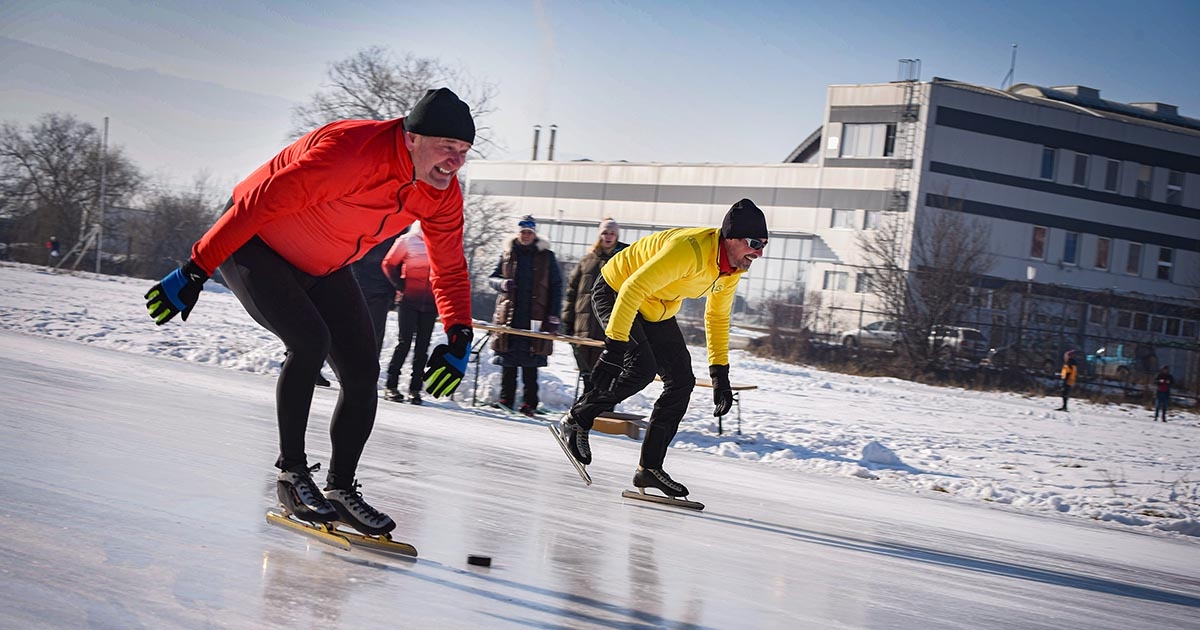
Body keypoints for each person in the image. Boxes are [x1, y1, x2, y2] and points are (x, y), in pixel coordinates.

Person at [143, 87, 477, 536]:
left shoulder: (442, 194)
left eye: (464, 152)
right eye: (447, 148)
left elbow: (449, 265)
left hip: (324, 263)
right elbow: (258, 204)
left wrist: (458, 334)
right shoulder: (350, 155)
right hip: (254, 243)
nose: (455, 162)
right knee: (309, 342)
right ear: (411, 137)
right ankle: (292, 475)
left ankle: (340, 488)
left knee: (362, 369)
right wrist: (197, 268)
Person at [557, 199, 768, 498]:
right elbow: (632, 287)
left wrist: (720, 374)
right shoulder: (690, 250)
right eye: (755, 243)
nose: (758, 253)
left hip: (656, 306)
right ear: (731, 238)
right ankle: (578, 418)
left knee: (682, 381)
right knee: (641, 368)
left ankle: (649, 468)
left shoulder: (731, 270)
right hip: (617, 289)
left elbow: (717, 316)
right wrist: (615, 348)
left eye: (764, 245)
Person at [488, 215, 563, 416]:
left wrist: (553, 315)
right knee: (509, 357)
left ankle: (530, 402)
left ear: (534, 234)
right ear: (518, 233)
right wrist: (502, 284)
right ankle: (506, 398)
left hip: (536, 314)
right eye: (523, 231)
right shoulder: (507, 253)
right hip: (509, 314)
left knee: (532, 358)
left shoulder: (546, 256)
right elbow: (492, 278)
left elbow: (556, 286)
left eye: (529, 232)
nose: (526, 235)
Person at [562, 218, 627, 397]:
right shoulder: (586, 261)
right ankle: (586, 415)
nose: (608, 236)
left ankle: (604, 415)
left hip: (609, 329)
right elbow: (572, 293)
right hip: (583, 328)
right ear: (600, 235)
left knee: (607, 377)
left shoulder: (623, 260)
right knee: (587, 377)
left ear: (617, 236)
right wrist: (568, 322)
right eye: (605, 233)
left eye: (612, 233)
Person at [381, 223, 436, 405]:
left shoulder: (442, 243)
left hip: (430, 304)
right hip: (409, 302)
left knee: (423, 347)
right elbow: (388, 264)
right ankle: (391, 385)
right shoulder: (407, 240)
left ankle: (415, 389)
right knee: (404, 343)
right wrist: (400, 286)